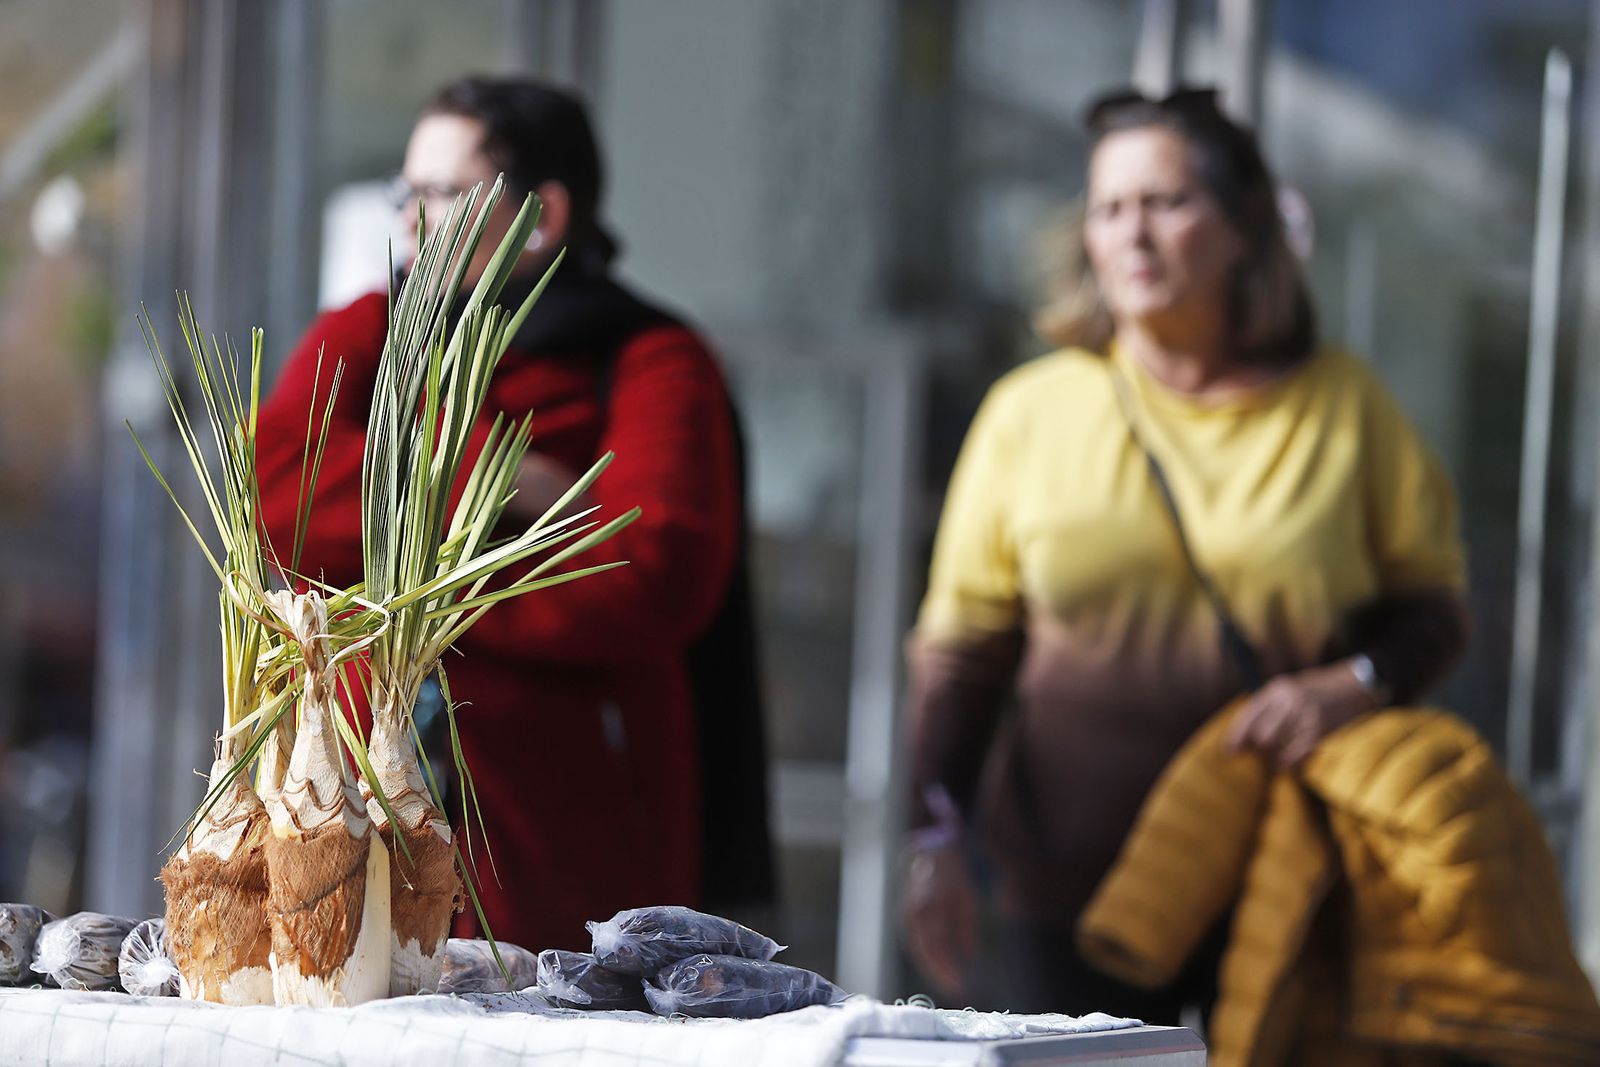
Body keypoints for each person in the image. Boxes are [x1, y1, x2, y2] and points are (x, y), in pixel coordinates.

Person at [901, 87, 1469, 1019]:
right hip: (1071, 896)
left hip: (1288, 876)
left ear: (1243, 227)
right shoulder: (1031, 413)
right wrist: (933, 842)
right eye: (1108, 208)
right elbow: (962, 656)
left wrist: (1354, 680)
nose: (1133, 234)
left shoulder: (1344, 407)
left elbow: (1433, 612)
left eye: (1165, 202)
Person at [255, 75, 773, 952]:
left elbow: (648, 573)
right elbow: (282, 498)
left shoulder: (650, 358)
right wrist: (507, 486)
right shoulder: (371, 331)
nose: (413, 218)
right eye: (406, 191)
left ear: (545, 215)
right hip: (344, 811)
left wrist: (395, 576)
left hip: (567, 830)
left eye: (446, 192)